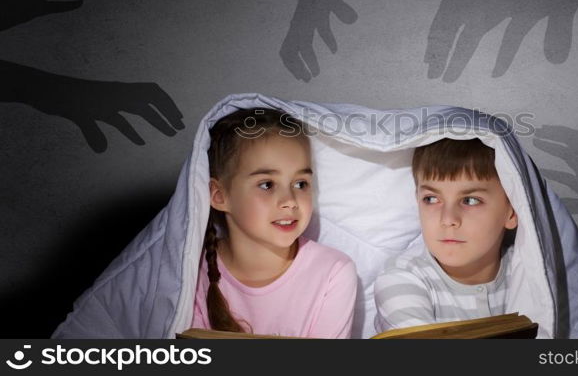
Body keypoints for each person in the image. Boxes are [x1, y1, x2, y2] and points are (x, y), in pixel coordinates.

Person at [191, 107, 357, 338]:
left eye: (301, 184)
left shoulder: (333, 272)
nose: (290, 201)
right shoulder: (191, 272)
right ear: (219, 196)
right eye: (267, 184)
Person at [374, 138, 521, 333]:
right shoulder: (401, 281)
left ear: (511, 212)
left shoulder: (529, 271)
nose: (448, 219)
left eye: (470, 200)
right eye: (431, 199)